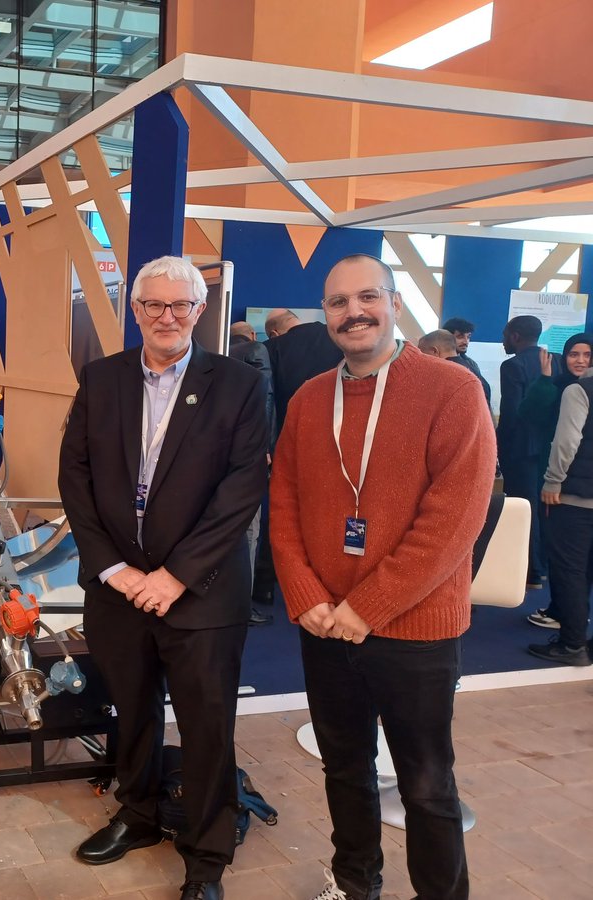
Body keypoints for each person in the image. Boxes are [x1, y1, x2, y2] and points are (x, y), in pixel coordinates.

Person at [270, 254, 495, 900]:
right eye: (337, 302)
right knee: (344, 769)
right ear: (325, 315)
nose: (353, 312)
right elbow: (281, 502)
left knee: (426, 783)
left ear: (395, 303)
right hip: (325, 625)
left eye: (367, 296)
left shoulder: (453, 391)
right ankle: (354, 883)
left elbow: (454, 521)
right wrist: (308, 596)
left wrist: (367, 605)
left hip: (415, 629)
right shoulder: (310, 399)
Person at [59, 256, 269, 900]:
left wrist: (176, 575)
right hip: (118, 590)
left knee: (208, 725)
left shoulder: (238, 382)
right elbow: (76, 476)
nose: (166, 317)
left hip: (202, 593)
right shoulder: (102, 378)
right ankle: (141, 813)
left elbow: (242, 488)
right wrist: (115, 569)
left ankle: (206, 855)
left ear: (200, 313)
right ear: (137, 309)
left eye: (181, 306)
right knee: (133, 709)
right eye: (154, 305)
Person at [521, 334, 593, 635]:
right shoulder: (559, 385)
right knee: (572, 560)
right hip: (564, 478)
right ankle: (563, 611)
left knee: (570, 561)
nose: (580, 360)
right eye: (574, 354)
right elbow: (528, 415)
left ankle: (571, 628)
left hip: (568, 485)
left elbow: (567, 441)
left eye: (587, 355)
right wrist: (545, 381)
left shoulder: (579, 390)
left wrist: (553, 481)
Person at [228, 321, 276, 625]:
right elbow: (266, 402)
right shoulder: (257, 352)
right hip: (251, 459)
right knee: (250, 532)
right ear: (254, 335)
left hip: (221, 460)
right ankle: (241, 606)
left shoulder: (213, 354)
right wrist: (266, 450)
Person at [500, 315, 548, 589]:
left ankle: (532, 571)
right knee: (542, 510)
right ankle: (541, 568)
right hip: (546, 449)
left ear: (515, 336)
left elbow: (511, 413)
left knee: (524, 510)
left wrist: (498, 448)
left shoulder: (513, 366)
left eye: (505, 334)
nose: (504, 341)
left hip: (520, 451)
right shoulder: (550, 359)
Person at [264, 308, 344, 433]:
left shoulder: (270, 348)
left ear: (274, 334)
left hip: (291, 429)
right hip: (338, 423)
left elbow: (267, 398)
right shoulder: (335, 334)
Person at [418, 329, 491, 408]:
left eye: (423, 354)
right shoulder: (472, 368)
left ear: (434, 351)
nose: (421, 360)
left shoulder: (443, 375)